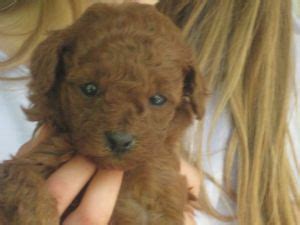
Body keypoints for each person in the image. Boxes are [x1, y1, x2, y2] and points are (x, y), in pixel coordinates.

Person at [0, 1, 299, 225]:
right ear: (51, 74)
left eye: (157, 100)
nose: (121, 130)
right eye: (91, 90)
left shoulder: (286, 64)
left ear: (188, 98)